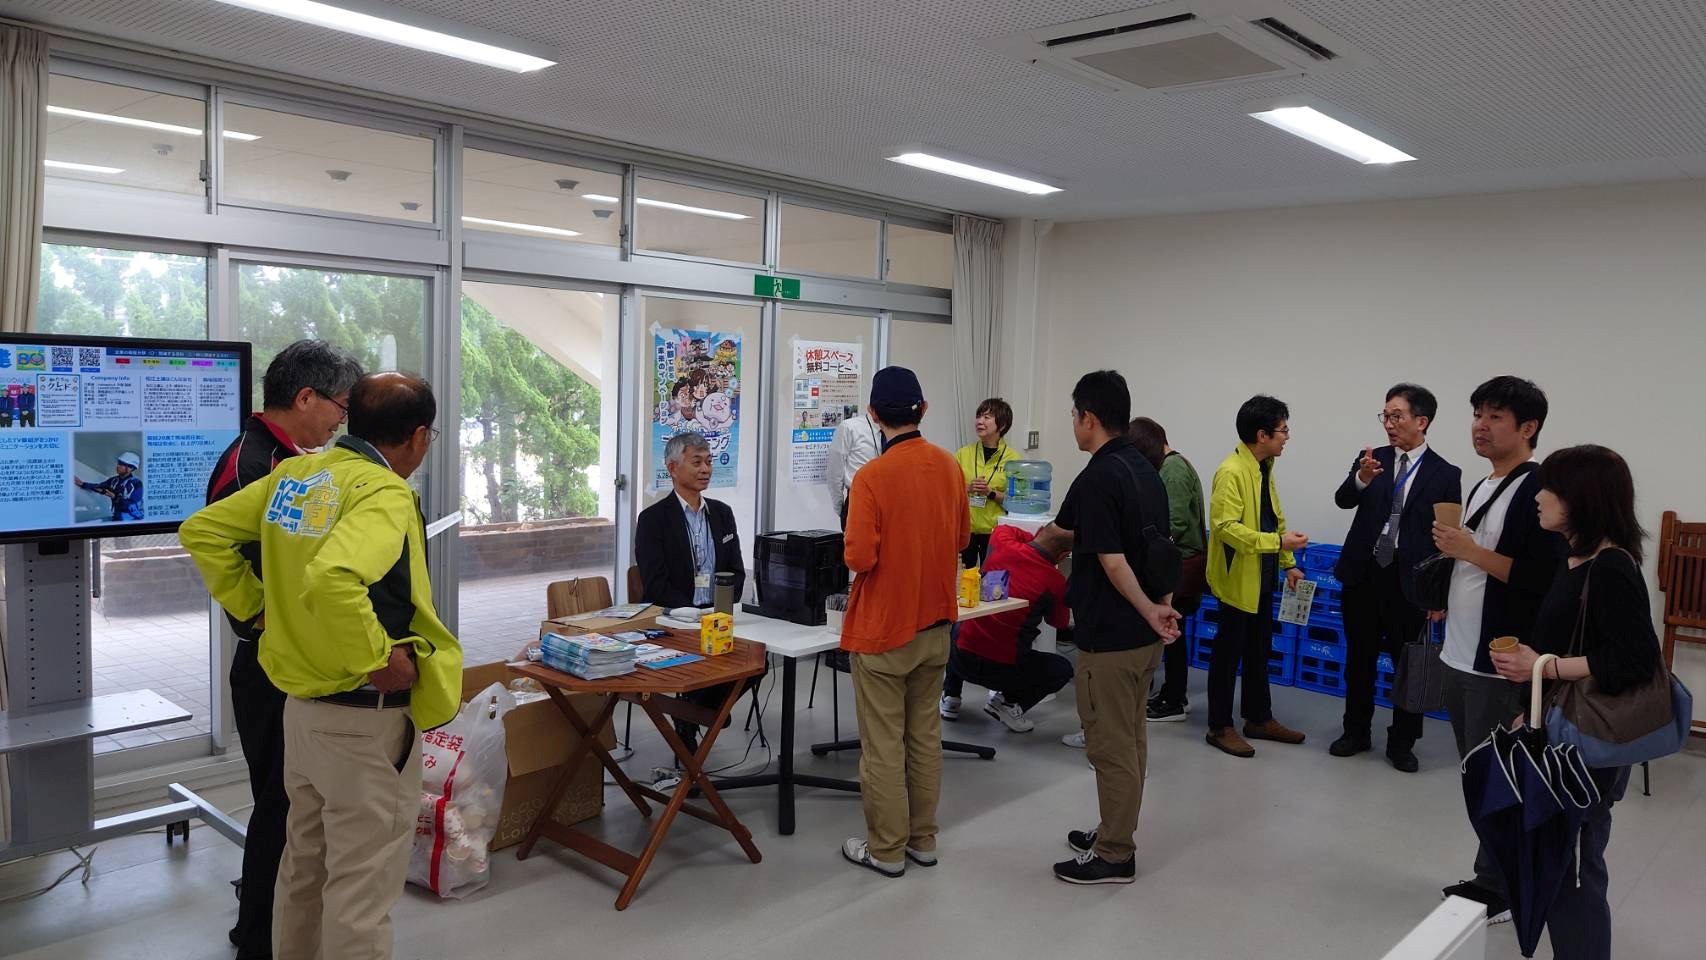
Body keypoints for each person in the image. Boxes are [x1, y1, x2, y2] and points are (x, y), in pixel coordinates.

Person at [179, 372, 461, 960]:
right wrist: (376, 656)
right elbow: (334, 577)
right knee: (361, 889)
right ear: (418, 436)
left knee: (303, 869)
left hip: (301, 714)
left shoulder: (298, 474)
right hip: (363, 722)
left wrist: (257, 608)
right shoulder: (382, 492)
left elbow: (201, 531)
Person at [204, 339, 363, 960]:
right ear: (305, 397)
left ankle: (281, 926)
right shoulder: (252, 464)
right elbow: (216, 546)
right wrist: (260, 614)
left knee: (294, 802)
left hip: (292, 657)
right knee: (281, 805)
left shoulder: (291, 459)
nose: (341, 421)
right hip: (270, 662)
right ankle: (257, 940)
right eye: (339, 407)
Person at [1488, 444, 1657, 960]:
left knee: (1577, 871)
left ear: (1582, 498)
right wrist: (1532, 702)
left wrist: (1543, 667)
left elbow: (1634, 659)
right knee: (1558, 863)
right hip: (1559, 735)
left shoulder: (1610, 567)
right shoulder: (1574, 559)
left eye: (1551, 488)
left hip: (1588, 748)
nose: (1539, 497)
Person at [1431, 375, 1567, 924]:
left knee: (1499, 778)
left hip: (1498, 663)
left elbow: (1541, 578)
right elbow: (1474, 563)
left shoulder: (1538, 488)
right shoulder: (1485, 484)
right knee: (1477, 772)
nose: (1480, 426)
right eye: (1477, 414)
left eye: (1494, 417)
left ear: (1528, 427)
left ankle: (1501, 885)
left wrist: (1469, 551)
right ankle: (1496, 875)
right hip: (1458, 652)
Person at [1052, 370, 1182, 885]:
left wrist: (1150, 609)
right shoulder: (1147, 468)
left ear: (1089, 417)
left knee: (1110, 746)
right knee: (1131, 739)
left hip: (1112, 636)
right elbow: (1162, 549)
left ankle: (1114, 854)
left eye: (1073, 414)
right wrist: (1162, 607)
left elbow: (1112, 561)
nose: (1073, 423)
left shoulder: (1099, 477)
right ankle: (1115, 829)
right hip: (1145, 639)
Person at [838, 366, 969, 878]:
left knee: (883, 746)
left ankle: (887, 849)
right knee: (925, 737)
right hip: (936, 623)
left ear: (873, 415)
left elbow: (858, 558)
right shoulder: (950, 467)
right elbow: (962, 539)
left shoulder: (871, 477)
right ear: (923, 409)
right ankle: (923, 840)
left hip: (884, 631)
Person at [1328, 384, 1462, 773]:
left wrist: (1439, 596)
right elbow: (1343, 499)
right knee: (1359, 660)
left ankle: (1402, 742)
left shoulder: (1445, 473)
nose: (1388, 424)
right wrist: (1361, 479)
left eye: (1396, 416)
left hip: (1411, 583)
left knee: (1409, 666)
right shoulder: (1372, 460)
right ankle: (1355, 731)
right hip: (1364, 574)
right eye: (1385, 416)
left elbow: (1446, 538)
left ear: (1422, 421)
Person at [1204, 395, 1309, 758]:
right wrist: (1278, 543)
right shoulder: (1231, 471)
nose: (1287, 436)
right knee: (1227, 654)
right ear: (1262, 435)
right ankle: (1219, 726)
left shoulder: (1263, 467)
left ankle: (1258, 718)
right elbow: (1225, 528)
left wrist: (1287, 562)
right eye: (1283, 430)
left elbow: (1273, 518)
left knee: (1258, 650)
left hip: (1262, 576)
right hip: (1237, 581)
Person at [634, 431, 749, 752]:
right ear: (673, 468)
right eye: (696, 462)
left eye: (709, 462)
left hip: (717, 615)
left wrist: (721, 608)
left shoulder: (722, 513)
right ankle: (695, 713)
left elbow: (736, 572)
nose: (706, 469)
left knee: (757, 661)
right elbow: (655, 585)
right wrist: (692, 614)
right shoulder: (653, 519)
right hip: (676, 619)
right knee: (702, 656)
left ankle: (694, 711)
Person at [938, 522, 1074, 732]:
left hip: (959, 658)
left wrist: (1038, 540)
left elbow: (1004, 529)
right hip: (1003, 671)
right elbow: (1060, 624)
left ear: (1039, 532)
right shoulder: (1054, 582)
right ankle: (1008, 704)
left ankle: (951, 696)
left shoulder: (1002, 543)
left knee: (962, 626)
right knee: (1062, 669)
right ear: (1064, 555)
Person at [1129, 416, 1206, 724]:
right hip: (1180, 559)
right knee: (1173, 633)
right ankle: (1173, 694)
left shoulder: (1172, 470)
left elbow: (1172, 524)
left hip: (1180, 563)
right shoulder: (1175, 464)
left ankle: (1174, 699)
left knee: (1170, 634)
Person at [955, 397, 1021, 569]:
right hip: (966, 529)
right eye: (978, 416)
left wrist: (990, 493)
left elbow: (1018, 501)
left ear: (1002, 425)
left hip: (995, 531)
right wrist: (968, 488)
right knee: (963, 579)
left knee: (992, 579)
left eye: (987, 417)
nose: (980, 421)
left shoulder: (1013, 459)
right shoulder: (963, 453)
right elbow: (949, 489)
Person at [825, 408, 881, 529]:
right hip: (858, 500)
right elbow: (834, 472)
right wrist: (841, 509)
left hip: (890, 503)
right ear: (870, 408)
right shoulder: (850, 427)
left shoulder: (899, 430)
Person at [76, 451, 144, 520]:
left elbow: (133, 506)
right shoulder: (114, 480)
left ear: (130, 468)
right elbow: (99, 486)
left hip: (133, 520)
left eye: (121, 464)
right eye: (119, 463)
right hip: (117, 518)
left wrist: (115, 497)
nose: (118, 466)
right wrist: (83, 484)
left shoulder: (136, 484)